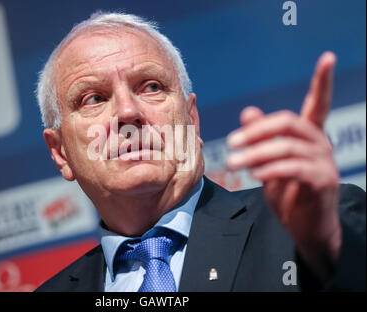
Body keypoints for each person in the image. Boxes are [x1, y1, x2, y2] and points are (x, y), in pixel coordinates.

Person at [35, 12, 365, 292]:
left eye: (151, 87)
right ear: (61, 152)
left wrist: (330, 247)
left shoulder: (307, 230)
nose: (127, 112)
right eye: (94, 98)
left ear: (192, 121)